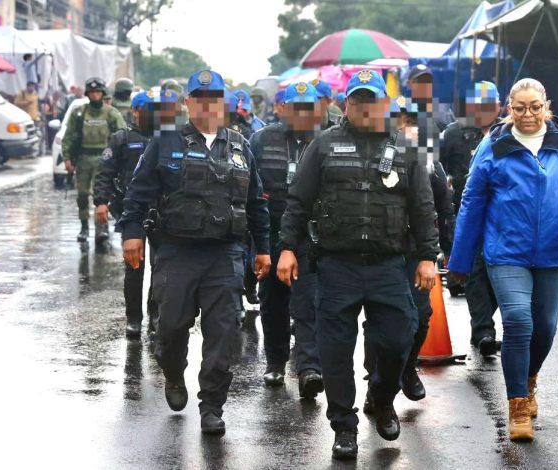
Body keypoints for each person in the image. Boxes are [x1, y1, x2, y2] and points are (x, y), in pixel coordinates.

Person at [277, 69, 438, 460]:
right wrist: (286, 248)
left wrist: (428, 257)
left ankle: (382, 398)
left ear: (384, 104)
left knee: (399, 340)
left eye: (372, 100)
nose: (365, 107)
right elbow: (297, 200)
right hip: (336, 266)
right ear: (346, 104)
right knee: (335, 351)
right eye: (357, 100)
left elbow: (423, 207)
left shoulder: (407, 148)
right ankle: (343, 426)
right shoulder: (323, 145)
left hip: (388, 266)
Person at [117, 69, 271, 436]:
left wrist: (263, 248)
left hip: (225, 255)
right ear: (188, 103)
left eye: (214, 98)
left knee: (224, 333)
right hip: (176, 253)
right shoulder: (165, 142)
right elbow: (137, 194)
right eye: (199, 98)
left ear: (223, 103)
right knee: (169, 328)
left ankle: (212, 406)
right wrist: (132, 234)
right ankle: (173, 373)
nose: (207, 105)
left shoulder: (239, 146)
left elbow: (256, 203)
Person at [448, 78, 558, 441]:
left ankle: (528, 379)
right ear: (508, 109)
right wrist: (460, 260)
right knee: (518, 321)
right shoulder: (493, 146)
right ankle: (517, 405)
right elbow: (472, 203)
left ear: (546, 105)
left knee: (545, 326)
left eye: (535, 107)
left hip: (554, 252)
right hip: (506, 252)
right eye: (520, 108)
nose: (528, 114)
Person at [362, 96, 455, 411]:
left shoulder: (430, 164)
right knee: (381, 321)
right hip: (381, 252)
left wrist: (448, 250)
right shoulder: (374, 157)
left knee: (420, 318)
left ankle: (406, 368)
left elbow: (444, 209)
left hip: (417, 254)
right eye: (399, 121)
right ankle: (376, 384)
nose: (406, 127)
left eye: (411, 121)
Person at [249, 82, 325, 397]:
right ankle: (276, 362)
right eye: (296, 107)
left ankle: (309, 368)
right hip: (270, 236)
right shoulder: (261, 140)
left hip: (310, 239)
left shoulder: (324, 142)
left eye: (308, 107)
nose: (302, 114)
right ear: (283, 108)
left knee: (308, 303)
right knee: (273, 302)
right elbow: (249, 191)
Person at [93, 91, 167, 339]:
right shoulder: (121, 139)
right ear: (135, 111)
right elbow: (104, 172)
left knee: (161, 266)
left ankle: (155, 314)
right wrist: (100, 202)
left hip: (161, 211)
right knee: (134, 267)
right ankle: (133, 318)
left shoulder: (166, 138)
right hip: (131, 211)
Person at [442, 81, 503, 355]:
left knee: (496, 273)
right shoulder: (452, 134)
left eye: (489, 106)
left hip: (501, 215)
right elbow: (435, 170)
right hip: (464, 214)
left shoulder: (508, 133)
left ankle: (482, 324)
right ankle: (483, 330)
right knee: (475, 273)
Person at [62, 77, 126, 243]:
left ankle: (101, 229)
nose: (95, 95)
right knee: (82, 195)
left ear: (103, 93)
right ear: (87, 94)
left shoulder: (111, 113)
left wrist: (120, 160)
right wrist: (67, 157)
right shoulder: (79, 113)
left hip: (104, 158)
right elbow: (69, 136)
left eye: (98, 92)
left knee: (102, 195)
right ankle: (84, 227)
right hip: (83, 158)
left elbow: (122, 136)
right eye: (92, 92)